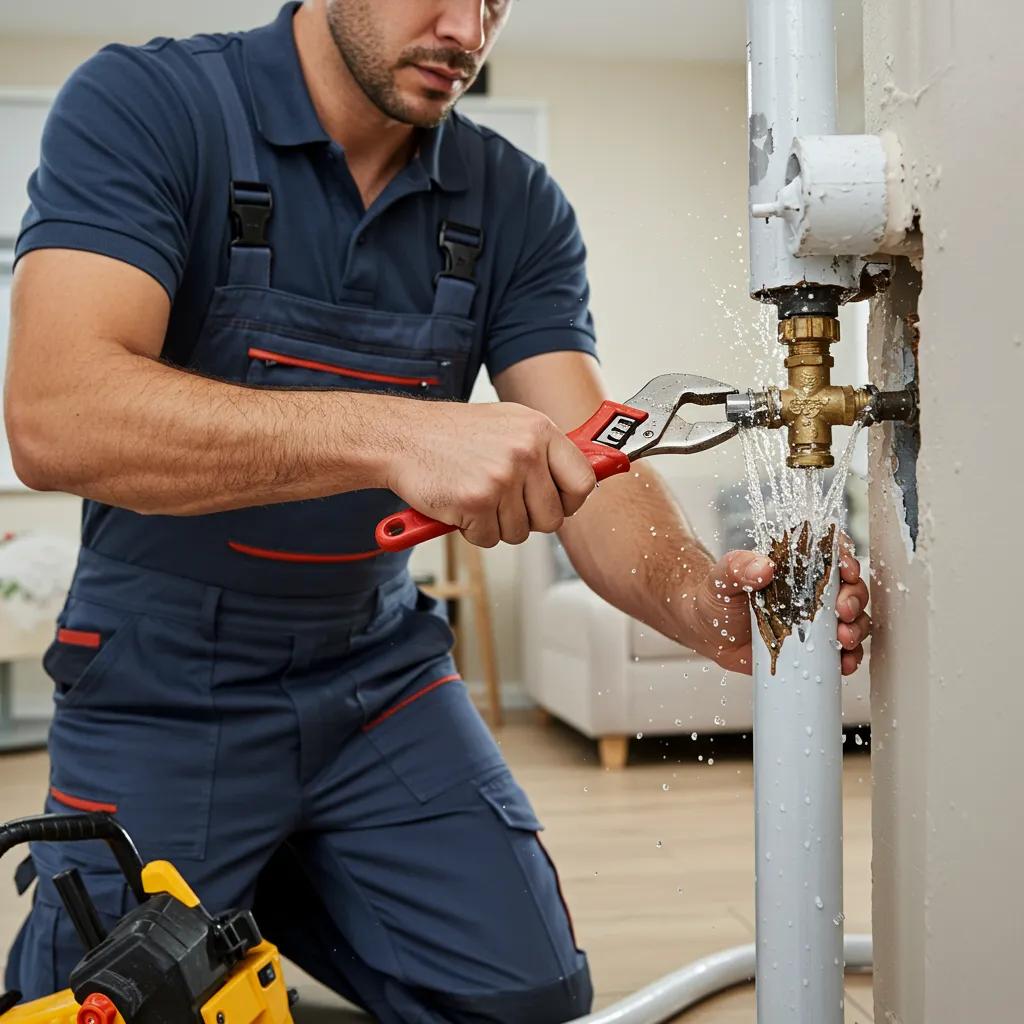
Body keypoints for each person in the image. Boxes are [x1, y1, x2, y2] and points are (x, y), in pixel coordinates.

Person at [2, 2, 871, 1021]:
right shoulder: (152, 107)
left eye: (496, 1)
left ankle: (266, 876)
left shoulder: (511, 201)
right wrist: (398, 435)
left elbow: (587, 448)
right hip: (159, 675)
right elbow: (59, 415)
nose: (466, 28)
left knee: (527, 999)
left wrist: (702, 605)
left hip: (374, 674)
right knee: (114, 1001)